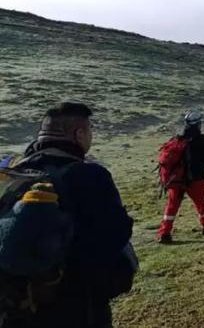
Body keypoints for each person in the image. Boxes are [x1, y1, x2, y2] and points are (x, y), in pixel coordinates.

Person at [9, 102, 134, 328]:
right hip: (73, 301)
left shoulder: (14, 171)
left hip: (14, 301)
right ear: (79, 134)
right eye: (89, 131)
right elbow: (115, 234)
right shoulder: (89, 175)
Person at [156, 111, 204, 244]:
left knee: (171, 207)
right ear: (198, 124)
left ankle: (164, 233)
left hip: (177, 180)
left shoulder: (176, 140)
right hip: (196, 179)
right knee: (200, 203)